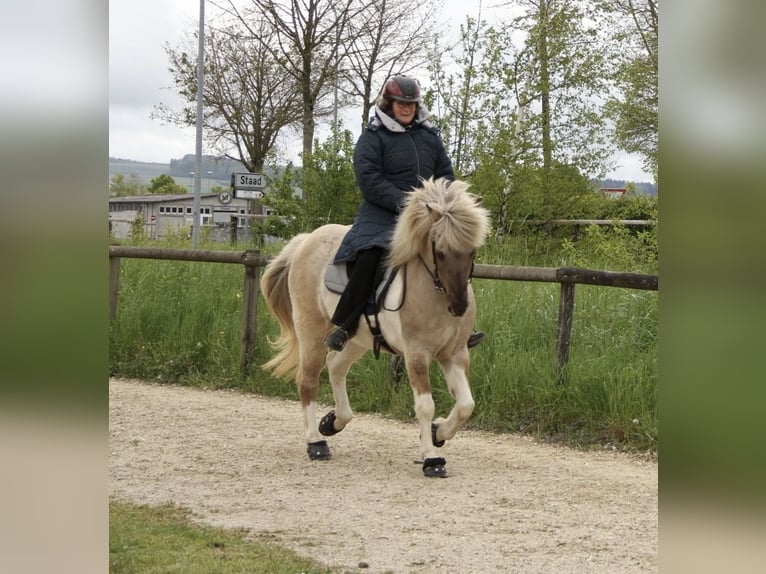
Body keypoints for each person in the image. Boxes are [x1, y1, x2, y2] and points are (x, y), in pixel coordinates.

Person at [324, 75, 485, 351]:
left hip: (430, 214)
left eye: (411, 104)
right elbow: (369, 179)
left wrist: (447, 203)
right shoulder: (373, 137)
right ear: (389, 104)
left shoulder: (430, 137)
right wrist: (406, 203)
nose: (407, 108)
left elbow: (445, 174)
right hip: (382, 214)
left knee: (457, 253)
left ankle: (457, 328)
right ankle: (346, 323)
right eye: (401, 103)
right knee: (370, 255)